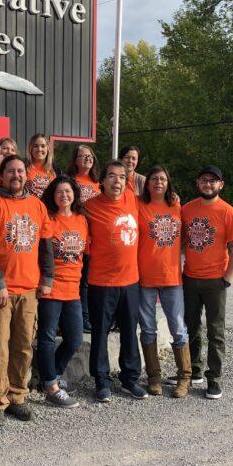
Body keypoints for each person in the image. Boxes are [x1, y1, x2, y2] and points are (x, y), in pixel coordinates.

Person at [0, 155, 54, 427]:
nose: (16, 175)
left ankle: (17, 396)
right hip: (0, 290)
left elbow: (46, 244)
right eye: (11, 171)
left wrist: (48, 277)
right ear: (1, 174)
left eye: (21, 171)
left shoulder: (37, 205)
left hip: (29, 288)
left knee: (23, 347)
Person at [176, 165, 233, 400]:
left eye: (212, 181)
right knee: (190, 328)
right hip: (190, 278)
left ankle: (214, 379)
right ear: (198, 183)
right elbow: (179, 242)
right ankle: (194, 371)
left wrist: (227, 278)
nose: (208, 184)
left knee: (216, 331)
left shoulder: (228, 212)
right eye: (204, 180)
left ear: (220, 185)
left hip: (216, 280)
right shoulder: (187, 209)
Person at [84, 160, 146, 402]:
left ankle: (130, 379)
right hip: (101, 282)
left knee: (130, 331)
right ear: (103, 180)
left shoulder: (133, 200)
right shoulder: (89, 207)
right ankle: (102, 381)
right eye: (111, 176)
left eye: (121, 177)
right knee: (100, 333)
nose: (116, 181)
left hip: (130, 281)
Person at [137, 166, 191, 398]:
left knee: (178, 328)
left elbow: (189, 234)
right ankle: (154, 378)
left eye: (163, 179)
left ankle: (184, 378)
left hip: (172, 277)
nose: (158, 182)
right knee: (148, 329)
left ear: (168, 183)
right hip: (145, 277)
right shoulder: (138, 205)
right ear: (147, 183)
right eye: (154, 179)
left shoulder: (178, 206)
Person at [38, 176, 89, 408]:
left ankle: (54, 374)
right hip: (52, 286)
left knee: (75, 338)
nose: (64, 196)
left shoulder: (81, 220)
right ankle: (50, 385)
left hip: (73, 287)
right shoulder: (48, 219)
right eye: (59, 192)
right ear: (53, 195)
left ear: (74, 194)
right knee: (47, 337)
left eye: (68, 192)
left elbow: (83, 253)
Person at [66, 144, 101, 332]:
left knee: (91, 280)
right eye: (83, 156)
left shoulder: (99, 183)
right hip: (75, 237)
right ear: (75, 160)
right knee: (80, 281)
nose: (88, 159)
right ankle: (81, 319)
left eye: (90, 156)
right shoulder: (69, 180)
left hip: (96, 239)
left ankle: (91, 316)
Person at [25, 133, 58, 198]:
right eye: (35, 146)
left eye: (43, 146)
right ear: (30, 149)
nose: (39, 149)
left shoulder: (55, 169)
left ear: (48, 149)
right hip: (29, 207)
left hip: (49, 207)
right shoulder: (24, 166)